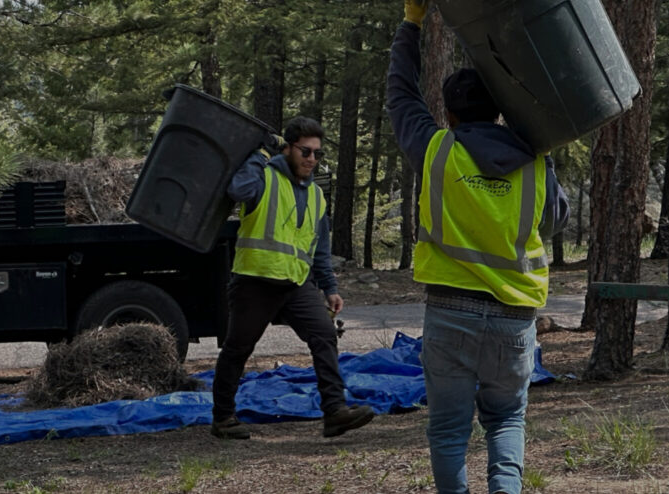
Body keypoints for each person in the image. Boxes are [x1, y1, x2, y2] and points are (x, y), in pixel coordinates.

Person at [387, 1, 571, 493]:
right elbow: (555, 221)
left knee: (448, 430)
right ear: (498, 109)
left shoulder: (434, 149)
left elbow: (400, 93)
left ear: (448, 112)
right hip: (514, 319)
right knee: (507, 421)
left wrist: (413, 22)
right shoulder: (536, 163)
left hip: (449, 314)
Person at [210, 116, 375, 440]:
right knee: (238, 349)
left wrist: (330, 288)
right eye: (305, 151)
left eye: (317, 153)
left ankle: (334, 413)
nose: (311, 159)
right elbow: (237, 188)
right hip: (255, 281)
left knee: (324, 334)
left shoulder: (316, 196)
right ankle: (223, 418)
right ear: (287, 149)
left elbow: (320, 249)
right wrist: (261, 155)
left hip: (297, 285)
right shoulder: (265, 177)